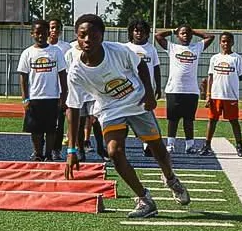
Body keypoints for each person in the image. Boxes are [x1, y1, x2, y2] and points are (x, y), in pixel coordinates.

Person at [64, 14, 190, 217]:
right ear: (77, 38)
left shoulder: (118, 51)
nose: (88, 40)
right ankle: (145, 199)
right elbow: (73, 107)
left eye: (93, 35)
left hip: (137, 102)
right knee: (114, 152)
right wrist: (71, 149)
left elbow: (140, 66)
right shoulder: (76, 72)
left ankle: (170, 178)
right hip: (110, 109)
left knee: (157, 148)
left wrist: (149, 93)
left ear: (102, 37)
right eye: (82, 35)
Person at [155, 24, 214, 154]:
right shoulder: (172, 47)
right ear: (177, 35)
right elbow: (158, 36)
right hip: (174, 89)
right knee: (173, 119)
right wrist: (173, 30)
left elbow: (210, 36)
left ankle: (189, 145)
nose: (185, 35)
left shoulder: (196, 47)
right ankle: (170, 145)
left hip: (191, 91)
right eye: (182, 33)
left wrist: (193, 31)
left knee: (189, 120)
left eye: (188, 33)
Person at [17, 19, 68, 161]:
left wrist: (63, 97)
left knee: (51, 128)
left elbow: (63, 75)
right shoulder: (27, 53)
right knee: (35, 129)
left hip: (52, 97)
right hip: (34, 97)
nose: (40, 36)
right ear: (32, 34)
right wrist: (25, 98)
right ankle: (38, 153)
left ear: (48, 33)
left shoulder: (56, 52)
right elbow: (23, 77)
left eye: (43, 33)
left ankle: (49, 154)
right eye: (37, 33)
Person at [200, 32, 242, 157]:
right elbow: (210, 76)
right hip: (216, 95)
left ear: (232, 43)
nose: (225, 44)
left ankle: (239, 145)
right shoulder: (215, 58)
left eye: (228, 41)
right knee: (212, 120)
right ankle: (207, 145)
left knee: (234, 121)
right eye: (223, 41)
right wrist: (208, 94)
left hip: (230, 95)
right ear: (220, 43)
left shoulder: (237, 58)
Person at [122, 19, 162, 155]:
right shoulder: (125, 48)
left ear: (147, 33)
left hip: (145, 90)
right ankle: (121, 144)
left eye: (142, 31)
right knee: (125, 118)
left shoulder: (151, 48)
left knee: (146, 118)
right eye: (136, 30)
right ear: (131, 32)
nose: (139, 34)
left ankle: (147, 145)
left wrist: (158, 86)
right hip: (128, 90)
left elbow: (156, 68)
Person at [48, 18, 73, 160]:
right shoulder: (41, 47)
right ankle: (41, 150)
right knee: (43, 122)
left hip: (61, 92)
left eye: (57, 28)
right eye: (52, 27)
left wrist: (67, 90)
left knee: (59, 122)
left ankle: (56, 149)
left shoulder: (66, 48)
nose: (54, 31)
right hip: (44, 91)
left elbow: (69, 70)